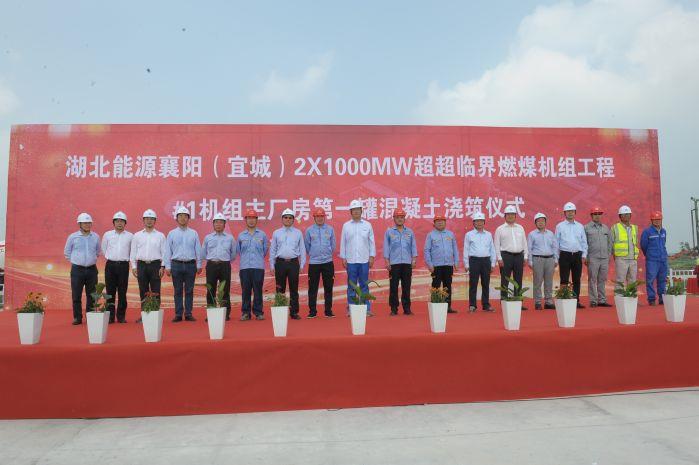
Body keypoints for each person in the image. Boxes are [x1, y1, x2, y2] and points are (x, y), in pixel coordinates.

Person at [164, 206, 203, 322]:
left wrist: (199, 264)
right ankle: (178, 314)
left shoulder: (194, 233)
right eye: (180, 216)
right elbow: (167, 251)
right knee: (177, 290)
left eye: (185, 216)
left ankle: (188, 313)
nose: (182, 218)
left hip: (191, 265)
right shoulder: (171, 233)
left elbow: (198, 250)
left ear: (188, 218)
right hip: (176, 264)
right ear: (176, 218)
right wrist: (167, 266)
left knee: (189, 290)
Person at [340, 199, 376, 316]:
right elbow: (343, 243)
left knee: (364, 285)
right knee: (352, 286)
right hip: (351, 261)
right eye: (353, 210)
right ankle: (351, 308)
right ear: (350, 212)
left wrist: (372, 256)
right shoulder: (346, 226)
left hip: (364, 260)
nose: (356, 211)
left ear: (361, 211)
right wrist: (343, 258)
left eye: (358, 209)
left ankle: (366, 309)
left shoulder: (367, 225)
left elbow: (371, 242)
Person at [130, 209, 167, 323]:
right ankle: (144, 315)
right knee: (143, 290)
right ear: (143, 220)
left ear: (155, 221)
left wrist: (162, 267)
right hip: (141, 265)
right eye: (147, 219)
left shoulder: (160, 236)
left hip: (156, 265)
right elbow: (133, 252)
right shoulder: (137, 235)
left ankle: (155, 315)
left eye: (151, 219)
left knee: (156, 291)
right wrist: (134, 266)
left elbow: (164, 253)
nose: (149, 221)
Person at [64, 212, 100, 325]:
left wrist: (90, 260)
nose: (87, 225)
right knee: (76, 295)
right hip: (77, 270)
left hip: (92, 270)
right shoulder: (73, 237)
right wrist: (77, 262)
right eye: (84, 223)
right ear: (79, 224)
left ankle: (90, 316)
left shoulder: (96, 237)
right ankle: (77, 317)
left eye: (89, 223)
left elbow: (98, 252)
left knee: (92, 295)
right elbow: (67, 252)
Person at [270, 208, 306, 320]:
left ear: (293, 220)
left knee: (294, 289)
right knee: (280, 289)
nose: (288, 219)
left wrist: (302, 265)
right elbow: (273, 250)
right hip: (280, 263)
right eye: (285, 217)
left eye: (290, 218)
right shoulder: (276, 233)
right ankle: (280, 310)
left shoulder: (298, 233)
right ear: (282, 219)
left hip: (293, 263)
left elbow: (302, 249)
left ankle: (294, 312)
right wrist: (272, 265)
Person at [202, 212, 236, 320]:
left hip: (225, 265)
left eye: (221, 222)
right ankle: (211, 313)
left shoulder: (230, 238)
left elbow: (233, 254)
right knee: (210, 289)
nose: (218, 224)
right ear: (213, 224)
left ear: (224, 225)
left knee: (225, 290)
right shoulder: (208, 238)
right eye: (216, 222)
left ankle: (225, 314)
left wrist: (225, 260)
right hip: (211, 265)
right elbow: (203, 253)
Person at [383, 209, 418, 316]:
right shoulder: (389, 232)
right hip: (394, 263)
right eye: (397, 217)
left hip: (407, 263)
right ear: (394, 218)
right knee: (393, 287)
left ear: (404, 219)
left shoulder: (410, 232)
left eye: (402, 217)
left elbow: (413, 246)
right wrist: (387, 261)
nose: (400, 219)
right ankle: (394, 308)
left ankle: (407, 308)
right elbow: (386, 247)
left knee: (406, 287)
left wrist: (414, 259)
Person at [101, 211, 133, 323]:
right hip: (110, 265)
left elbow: (132, 251)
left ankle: (121, 316)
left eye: (122, 221)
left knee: (122, 291)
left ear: (125, 223)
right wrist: (110, 257)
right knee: (110, 292)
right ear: (113, 223)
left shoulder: (130, 236)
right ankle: (110, 316)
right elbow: (104, 249)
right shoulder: (107, 235)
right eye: (117, 221)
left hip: (123, 265)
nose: (119, 223)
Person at [238, 209, 270, 321]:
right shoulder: (241, 236)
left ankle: (258, 312)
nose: (251, 220)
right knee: (245, 291)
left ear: (256, 220)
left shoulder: (262, 235)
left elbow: (265, 250)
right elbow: (239, 251)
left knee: (258, 290)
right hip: (245, 267)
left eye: (253, 218)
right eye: (249, 218)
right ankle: (245, 313)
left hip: (258, 267)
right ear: (245, 220)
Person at [494, 205, 528, 309]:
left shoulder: (520, 228)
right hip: (506, 256)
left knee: (518, 280)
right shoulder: (500, 229)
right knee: (505, 280)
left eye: (512, 214)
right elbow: (496, 245)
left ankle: (518, 302)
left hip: (519, 256)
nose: (510, 216)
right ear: (505, 216)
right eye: (508, 214)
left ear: (515, 216)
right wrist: (499, 258)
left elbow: (524, 243)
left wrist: (525, 256)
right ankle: (504, 302)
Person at [424, 212, 459, 313]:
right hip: (436, 266)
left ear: (445, 222)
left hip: (448, 264)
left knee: (447, 286)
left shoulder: (450, 234)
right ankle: (435, 306)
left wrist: (456, 262)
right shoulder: (430, 235)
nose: (440, 223)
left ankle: (447, 307)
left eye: (442, 221)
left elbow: (455, 249)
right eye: (437, 221)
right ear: (434, 223)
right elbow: (427, 250)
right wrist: (430, 264)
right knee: (436, 286)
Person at [304, 208, 336, 318]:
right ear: (314, 218)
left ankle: (328, 310)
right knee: (313, 288)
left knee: (328, 287)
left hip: (328, 262)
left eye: (322, 216)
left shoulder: (330, 229)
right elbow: (307, 246)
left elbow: (333, 245)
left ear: (324, 217)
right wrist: (314, 254)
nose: (320, 218)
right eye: (317, 216)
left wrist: (327, 253)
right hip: (314, 263)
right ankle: (312, 311)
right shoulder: (309, 230)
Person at [555, 202, 588, 309]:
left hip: (577, 255)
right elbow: (556, 243)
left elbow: (584, 242)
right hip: (564, 255)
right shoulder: (560, 226)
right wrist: (556, 257)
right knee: (564, 279)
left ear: (575, 212)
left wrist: (584, 254)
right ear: (565, 213)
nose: (570, 213)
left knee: (576, 279)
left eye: (572, 211)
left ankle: (576, 300)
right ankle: (564, 299)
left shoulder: (580, 226)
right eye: (568, 211)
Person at [463, 212, 497, 312]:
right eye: (477, 221)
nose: (479, 223)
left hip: (486, 261)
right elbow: (466, 249)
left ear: (484, 222)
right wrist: (466, 264)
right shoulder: (469, 234)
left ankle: (486, 304)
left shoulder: (488, 234)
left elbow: (492, 249)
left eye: (481, 221)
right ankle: (472, 305)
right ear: (473, 223)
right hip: (474, 261)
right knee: (473, 284)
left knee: (486, 283)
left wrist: (493, 263)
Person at [527, 212, 558, 310]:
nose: (540, 223)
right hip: (538, 259)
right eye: (538, 221)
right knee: (538, 281)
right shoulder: (532, 234)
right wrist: (530, 261)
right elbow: (529, 248)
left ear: (545, 222)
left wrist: (556, 259)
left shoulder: (550, 234)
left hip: (550, 259)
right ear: (535, 223)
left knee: (549, 281)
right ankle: (538, 302)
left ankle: (548, 301)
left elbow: (555, 247)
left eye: (542, 221)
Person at [584, 206, 613, 307]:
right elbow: (584, 243)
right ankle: (593, 300)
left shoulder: (605, 228)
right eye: (595, 214)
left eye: (599, 214)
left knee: (602, 279)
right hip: (592, 258)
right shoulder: (586, 228)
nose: (597, 216)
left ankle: (602, 300)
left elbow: (610, 243)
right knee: (592, 279)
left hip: (604, 258)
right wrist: (586, 256)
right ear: (591, 215)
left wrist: (608, 255)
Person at [641, 211, 668, 306]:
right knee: (650, 280)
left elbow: (664, 244)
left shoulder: (664, 231)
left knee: (662, 280)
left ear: (661, 220)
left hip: (663, 259)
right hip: (652, 260)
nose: (657, 221)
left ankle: (662, 298)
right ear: (651, 220)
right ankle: (651, 299)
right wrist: (649, 255)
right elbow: (643, 246)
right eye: (655, 219)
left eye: (659, 219)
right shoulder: (647, 232)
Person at [611, 205, 639, 288]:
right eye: (624, 214)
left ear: (630, 215)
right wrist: (615, 256)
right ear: (620, 216)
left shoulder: (635, 228)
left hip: (633, 259)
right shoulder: (615, 228)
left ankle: (632, 296)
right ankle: (619, 296)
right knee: (620, 280)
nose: (626, 216)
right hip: (621, 259)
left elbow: (636, 243)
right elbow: (611, 243)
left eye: (628, 214)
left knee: (633, 280)